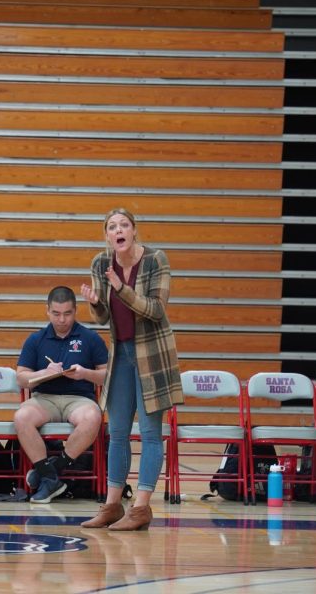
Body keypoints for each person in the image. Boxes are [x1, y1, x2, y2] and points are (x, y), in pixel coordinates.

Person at [79, 208, 183, 531]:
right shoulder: (101, 263)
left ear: (135, 231)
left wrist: (120, 288)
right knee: (118, 432)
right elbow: (101, 318)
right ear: (107, 235)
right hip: (120, 352)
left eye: (124, 225)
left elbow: (155, 309)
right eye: (112, 226)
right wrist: (95, 302)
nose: (118, 230)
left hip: (153, 355)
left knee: (151, 433)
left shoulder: (155, 260)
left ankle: (140, 509)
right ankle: (112, 506)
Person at [14, 286, 108, 504]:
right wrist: (44, 373)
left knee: (93, 417)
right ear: (47, 311)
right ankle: (50, 477)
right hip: (44, 398)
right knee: (21, 417)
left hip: (79, 399)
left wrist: (85, 373)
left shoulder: (90, 338)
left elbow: (107, 376)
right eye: (56, 313)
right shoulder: (36, 339)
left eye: (67, 313)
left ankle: (50, 471)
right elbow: (21, 377)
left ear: (75, 311)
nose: (62, 319)